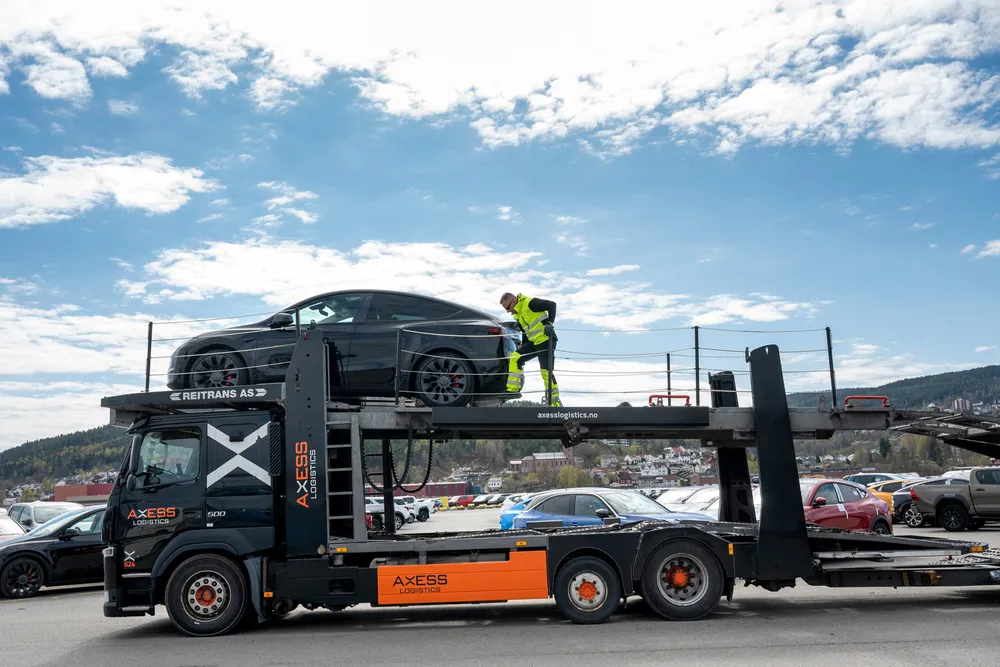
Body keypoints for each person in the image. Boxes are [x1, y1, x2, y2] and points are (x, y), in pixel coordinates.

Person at [499, 292, 562, 407]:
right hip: (533, 343)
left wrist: (549, 324)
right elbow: (525, 333)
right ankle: (513, 389)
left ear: (514, 301)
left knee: (546, 372)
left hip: (546, 340)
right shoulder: (518, 314)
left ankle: (554, 402)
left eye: (508, 308)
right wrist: (523, 350)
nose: (508, 311)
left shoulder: (530, 303)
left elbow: (552, 305)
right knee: (515, 357)